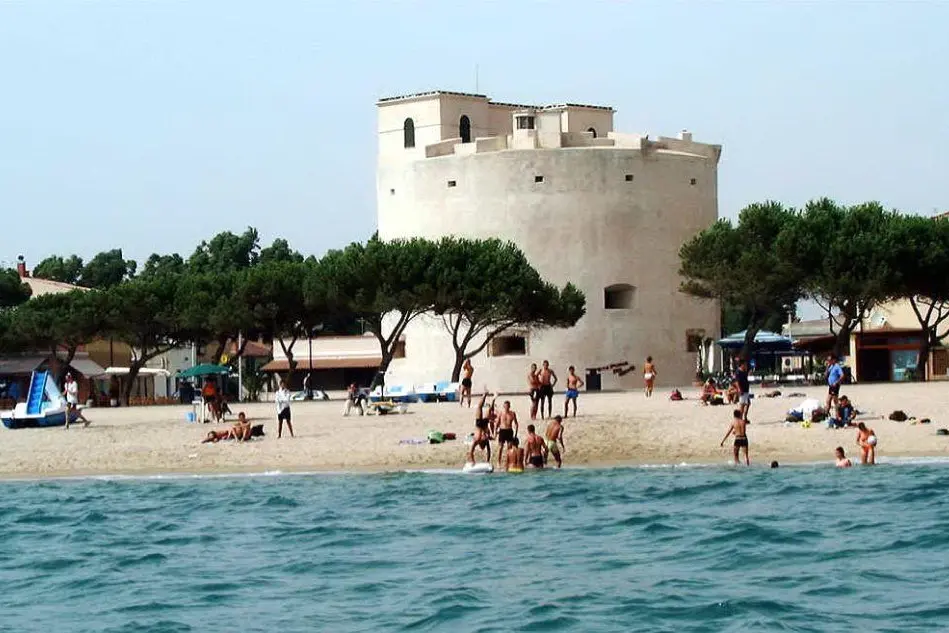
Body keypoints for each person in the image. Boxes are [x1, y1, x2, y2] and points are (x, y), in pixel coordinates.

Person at [466, 391, 494, 465]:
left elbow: (471, 452)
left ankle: (487, 397)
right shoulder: (478, 440)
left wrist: (473, 461)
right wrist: (473, 461)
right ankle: (485, 396)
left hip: (482, 425)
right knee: (480, 408)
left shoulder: (481, 440)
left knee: (485, 410)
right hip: (479, 425)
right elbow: (471, 452)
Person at [495, 400, 519, 469]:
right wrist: (495, 432)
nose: (506, 407)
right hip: (502, 430)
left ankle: (508, 462)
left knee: (509, 448)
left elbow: (516, 423)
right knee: (500, 448)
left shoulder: (512, 413)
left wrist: (516, 434)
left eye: (507, 406)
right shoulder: (501, 413)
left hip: (509, 431)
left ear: (509, 406)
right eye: (505, 406)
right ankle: (498, 462)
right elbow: (497, 423)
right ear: (503, 406)